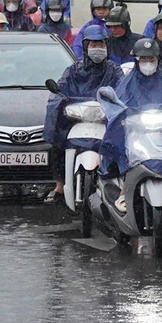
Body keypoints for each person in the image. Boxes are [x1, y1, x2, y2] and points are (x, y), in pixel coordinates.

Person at [106, 38, 162, 213]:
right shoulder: (126, 85)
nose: (148, 64)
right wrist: (123, 118)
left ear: (158, 61)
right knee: (126, 152)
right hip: (134, 134)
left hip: (160, 134)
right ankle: (125, 190)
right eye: (144, 60)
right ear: (136, 61)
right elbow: (117, 107)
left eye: (151, 60)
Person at [43, 23, 124, 203]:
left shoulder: (114, 70)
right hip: (76, 118)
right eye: (93, 45)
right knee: (57, 142)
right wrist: (61, 100)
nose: (97, 49)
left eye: (101, 44)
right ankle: (59, 185)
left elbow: (123, 90)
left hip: (104, 119)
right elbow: (60, 89)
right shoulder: (73, 70)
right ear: (85, 46)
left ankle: (119, 184)